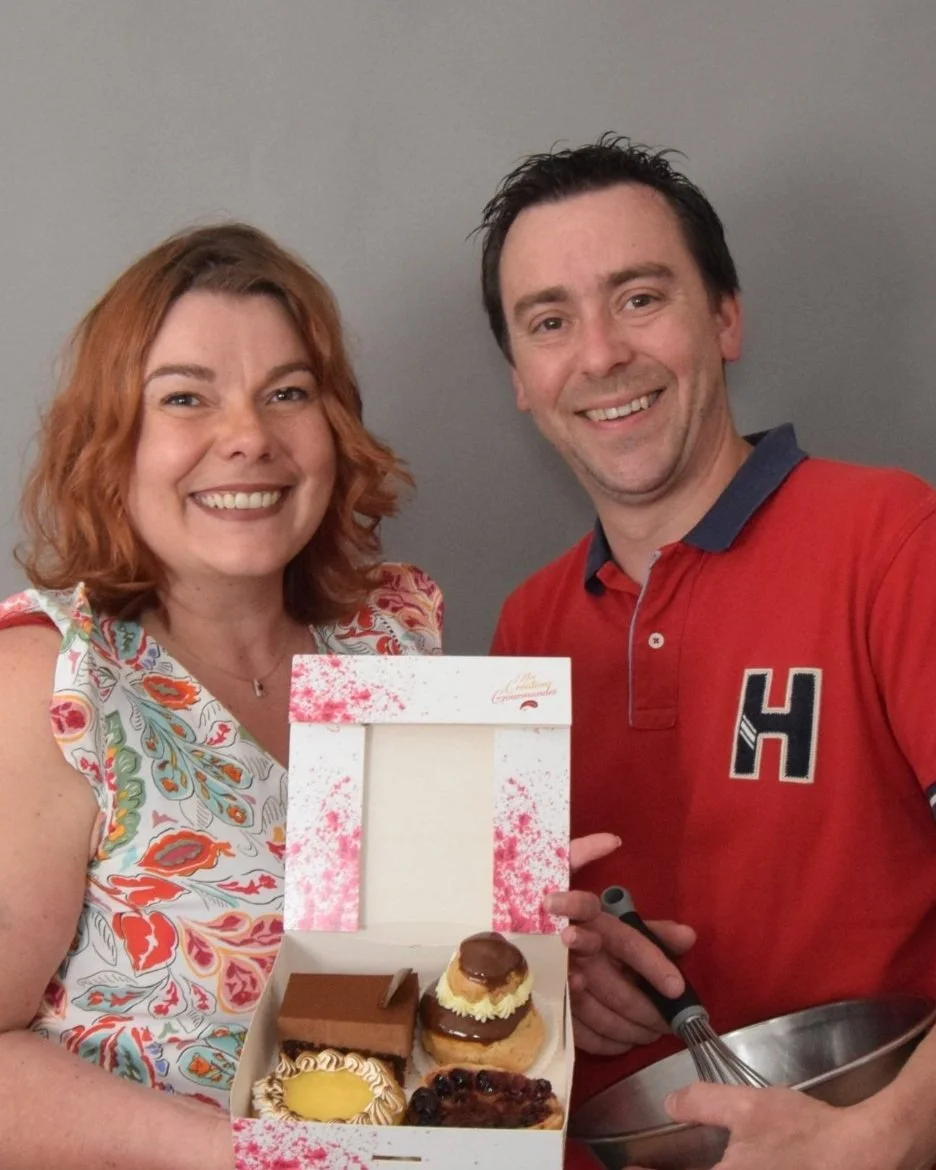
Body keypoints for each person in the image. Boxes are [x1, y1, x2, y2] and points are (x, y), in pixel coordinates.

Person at [478, 135, 936, 1168]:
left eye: (640, 298)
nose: (599, 355)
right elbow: (503, 969)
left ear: (724, 317)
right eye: (550, 321)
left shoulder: (894, 542)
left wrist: (879, 1142)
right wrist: (553, 968)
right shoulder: (523, 632)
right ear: (519, 376)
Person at [0, 223, 442, 1169]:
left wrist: (511, 927)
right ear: (113, 439)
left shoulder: (390, 645)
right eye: (185, 399)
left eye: (287, 393)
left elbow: (409, 976)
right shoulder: (54, 680)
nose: (247, 438)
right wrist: (248, 1155)